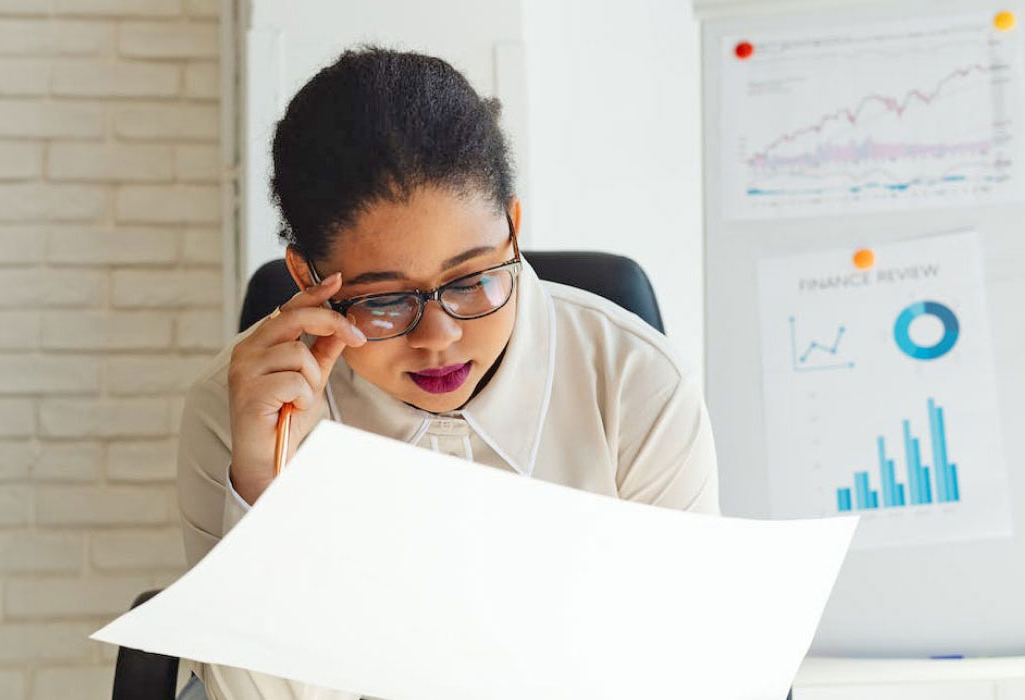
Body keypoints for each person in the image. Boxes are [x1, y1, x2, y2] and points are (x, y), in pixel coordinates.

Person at [175, 45, 720, 700]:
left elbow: (686, 672)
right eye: (382, 300)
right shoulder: (236, 411)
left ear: (513, 233)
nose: (440, 337)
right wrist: (267, 490)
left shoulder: (638, 385)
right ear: (306, 281)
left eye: (470, 280)